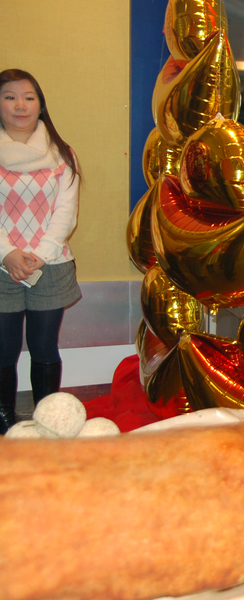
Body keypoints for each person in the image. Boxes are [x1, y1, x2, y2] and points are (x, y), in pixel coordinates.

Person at [0, 69, 82, 434]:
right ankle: (3, 419)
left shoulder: (62, 154)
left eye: (29, 97)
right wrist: (7, 253)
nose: (21, 105)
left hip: (50, 265)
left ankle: (48, 420)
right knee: (3, 350)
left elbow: (66, 212)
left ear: (40, 104)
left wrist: (39, 255)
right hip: (2, 266)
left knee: (45, 348)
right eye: (10, 96)